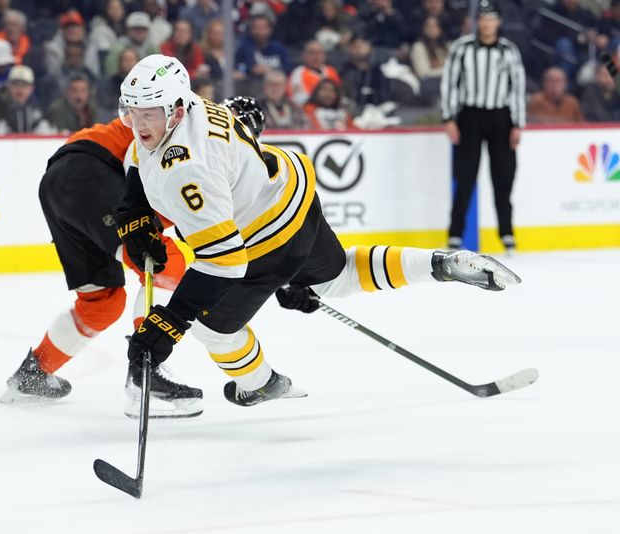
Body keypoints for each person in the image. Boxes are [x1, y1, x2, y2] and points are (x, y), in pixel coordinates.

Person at [114, 54, 521, 407]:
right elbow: (140, 154)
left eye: (148, 113)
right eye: (131, 111)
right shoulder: (187, 108)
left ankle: (260, 383)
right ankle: (440, 263)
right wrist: (135, 212)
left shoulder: (186, 169)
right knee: (339, 277)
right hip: (293, 195)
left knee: (211, 328)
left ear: (176, 111)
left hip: (263, 238)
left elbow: (225, 261)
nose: (138, 123)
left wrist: (172, 322)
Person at [1, 117, 204, 418]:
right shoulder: (195, 132)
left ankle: (33, 375)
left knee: (102, 302)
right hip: (91, 174)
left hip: (61, 184)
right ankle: (145, 369)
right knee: (165, 262)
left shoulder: (194, 133)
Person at [440, 0, 525, 252]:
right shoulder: (462, 48)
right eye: (483, 18)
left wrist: (517, 123)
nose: (487, 23)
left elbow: (517, 88)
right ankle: (455, 233)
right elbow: (449, 83)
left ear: (499, 22)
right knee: (465, 176)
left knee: (503, 175)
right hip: (470, 115)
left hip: (501, 116)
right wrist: (449, 118)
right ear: (477, 21)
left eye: (491, 18)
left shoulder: (508, 50)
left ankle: (506, 232)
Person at [0, 65, 54, 134]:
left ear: (31, 88)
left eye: (24, 85)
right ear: (9, 86)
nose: (19, 89)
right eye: (15, 84)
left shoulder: (40, 110)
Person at [287, 40, 342, 107]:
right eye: (312, 53)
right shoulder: (298, 73)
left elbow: (339, 94)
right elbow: (298, 100)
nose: (317, 57)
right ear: (304, 55)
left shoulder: (331, 71)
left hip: (334, 109)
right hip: (310, 110)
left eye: (320, 53)